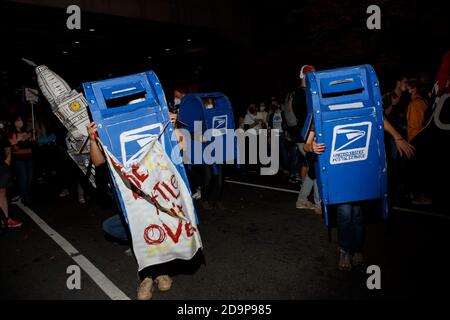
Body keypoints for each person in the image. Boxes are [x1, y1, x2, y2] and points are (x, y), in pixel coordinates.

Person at [87, 111, 184, 300]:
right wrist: (92, 140)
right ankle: (147, 275)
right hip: (133, 211)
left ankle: (159, 272)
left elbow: (179, 150)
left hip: (157, 206)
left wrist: (174, 127)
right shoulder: (118, 145)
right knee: (114, 226)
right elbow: (98, 162)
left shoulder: (152, 145)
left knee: (157, 227)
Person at [9, 115, 35, 205]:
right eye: (18, 120)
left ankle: (25, 194)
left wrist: (32, 138)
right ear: (14, 122)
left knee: (30, 178)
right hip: (19, 160)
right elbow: (14, 148)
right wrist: (21, 140)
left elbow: (32, 146)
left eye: (21, 120)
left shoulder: (26, 132)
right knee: (23, 178)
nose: (20, 122)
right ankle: (25, 197)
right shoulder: (13, 133)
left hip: (29, 158)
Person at [0, 122, 22, 228]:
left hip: (2, 166)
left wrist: (8, 160)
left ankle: (6, 219)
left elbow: (7, 146)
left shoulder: (0, 132)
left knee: (2, 194)